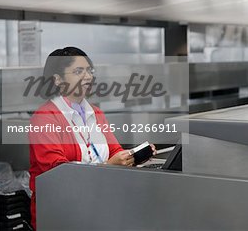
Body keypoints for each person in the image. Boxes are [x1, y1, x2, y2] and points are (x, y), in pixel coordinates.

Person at [28, 47, 155, 229]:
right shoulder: (44, 117)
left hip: (96, 205)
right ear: (57, 79)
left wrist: (133, 155)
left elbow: (114, 151)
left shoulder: (95, 112)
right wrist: (107, 166)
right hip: (59, 212)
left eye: (89, 70)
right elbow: (56, 171)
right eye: (79, 71)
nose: (87, 77)